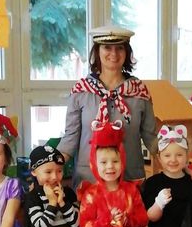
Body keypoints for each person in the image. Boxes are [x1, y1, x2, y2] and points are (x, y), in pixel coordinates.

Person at [58, 23, 157, 186]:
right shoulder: (81, 91)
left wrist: (178, 160)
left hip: (129, 180)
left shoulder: (139, 91)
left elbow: (151, 137)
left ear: (127, 52)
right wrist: (47, 166)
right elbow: (71, 137)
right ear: (97, 51)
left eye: (120, 48)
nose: (114, 53)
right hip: (89, 181)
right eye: (107, 47)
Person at [78, 120, 148, 227]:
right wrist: (106, 220)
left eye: (115, 161)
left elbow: (143, 219)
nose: (110, 166)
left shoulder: (131, 190)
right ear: (94, 163)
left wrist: (126, 220)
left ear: (122, 161)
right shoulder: (91, 194)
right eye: (103, 162)